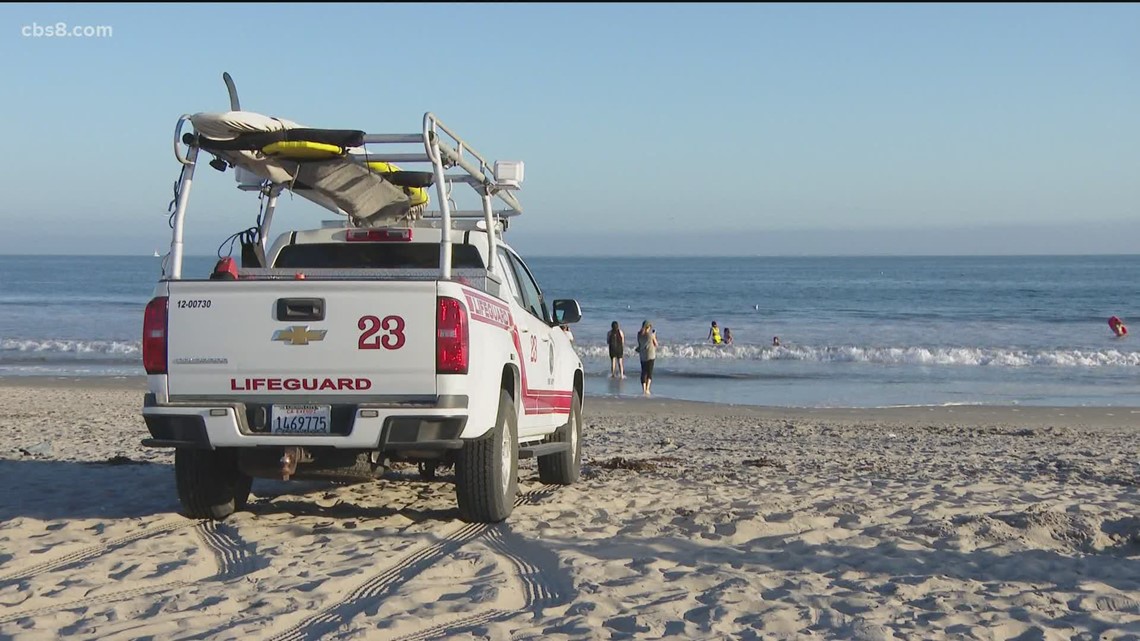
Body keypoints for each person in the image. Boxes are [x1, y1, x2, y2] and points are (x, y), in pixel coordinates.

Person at [636, 320, 658, 395]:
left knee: (643, 372)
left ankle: (644, 389)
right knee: (649, 372)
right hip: (650, 355)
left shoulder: (639, 334)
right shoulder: (650, 335)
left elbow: (639, 345)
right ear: (648, 327)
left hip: (642, 355)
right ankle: (648, 389)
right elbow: (656, 344)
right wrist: (654, 335)